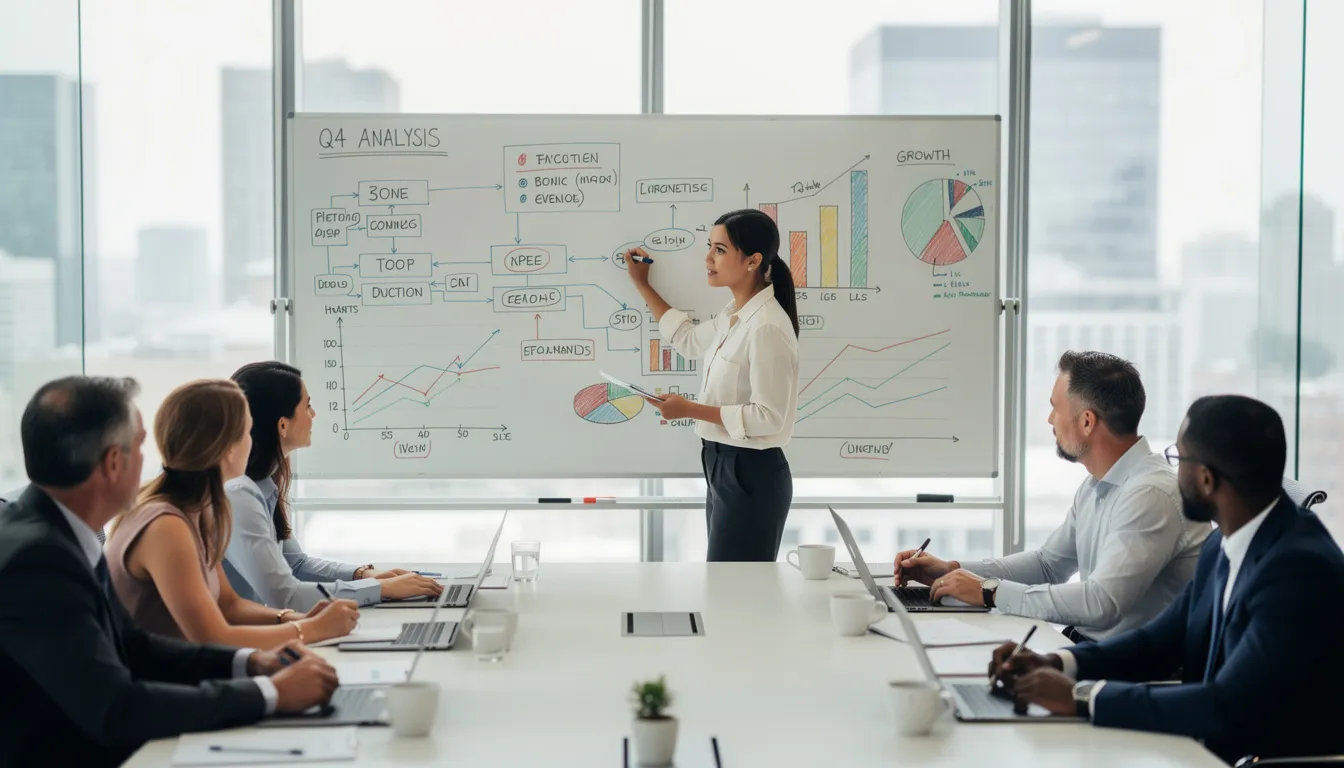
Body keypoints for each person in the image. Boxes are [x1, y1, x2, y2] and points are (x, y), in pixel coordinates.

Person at [0, 376, 338, 767]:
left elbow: (135, 646)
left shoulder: (58, 533)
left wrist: (248, 662)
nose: (153, 460)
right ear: (114, 462)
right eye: (140, 446)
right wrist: (271, 694)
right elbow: (118, 707)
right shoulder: (39, 560)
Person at [992, 395, 1344, 764]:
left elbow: (1228, 704)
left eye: (1179, 459)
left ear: (1205, 479)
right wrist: (1057, 662)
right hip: (1206, 748)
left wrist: (1082, 697)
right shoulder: (1222, 544)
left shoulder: (1299, 571)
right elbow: (1159, 642)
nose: (1173, 472)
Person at [895, 351, 1210, 641]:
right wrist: (952, 570)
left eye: (1055, 408)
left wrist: (990, 591)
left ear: (1086, 421)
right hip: (1091, 649)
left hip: (1130, 669)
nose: (1049, 419)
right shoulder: (1097, 485)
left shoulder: (1150, 494)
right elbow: (1048, 565)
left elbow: (1102, 602)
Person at [105, 379, 361, 646]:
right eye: (248, 432)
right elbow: (212, 636)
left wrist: (294, 619)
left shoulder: (196, 510)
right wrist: (312, 629)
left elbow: (229, 605)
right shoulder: (166, 525)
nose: (253, 442)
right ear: (227, 449)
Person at [626, 209, 800, 561]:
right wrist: (643, 285)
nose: (708, 258)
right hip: (723, 465)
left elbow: (769, 417)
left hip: (750, 472)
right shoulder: (733, 315)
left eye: (719, 250)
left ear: (752, 260)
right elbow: (688, 340)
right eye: (710, 247)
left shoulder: (766, 326)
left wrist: (689, 409)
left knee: (734, 586)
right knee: (725, 580)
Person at [224, 361, 443, 609]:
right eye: (307, 406)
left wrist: (363, 575)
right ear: (283, 425)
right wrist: (381, 589)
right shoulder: (238, 496)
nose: (313, 414)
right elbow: (285, 596)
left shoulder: (264, 484)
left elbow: (295, 565)